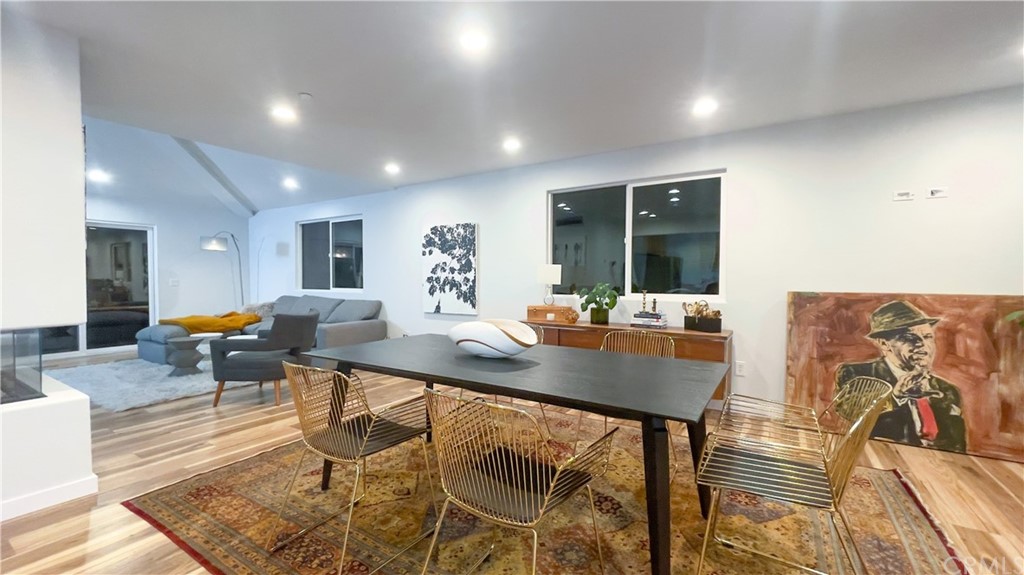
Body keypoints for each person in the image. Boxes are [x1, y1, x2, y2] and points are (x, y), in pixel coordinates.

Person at [835, 300, 966, 453]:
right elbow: (849, 409)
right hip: (880, 460)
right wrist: (895, 396)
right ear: (884, 344)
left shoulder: (948, 390)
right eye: (909, 338)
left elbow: (957, 447)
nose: (922, 344)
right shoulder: (856, 373)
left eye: (927, 337)